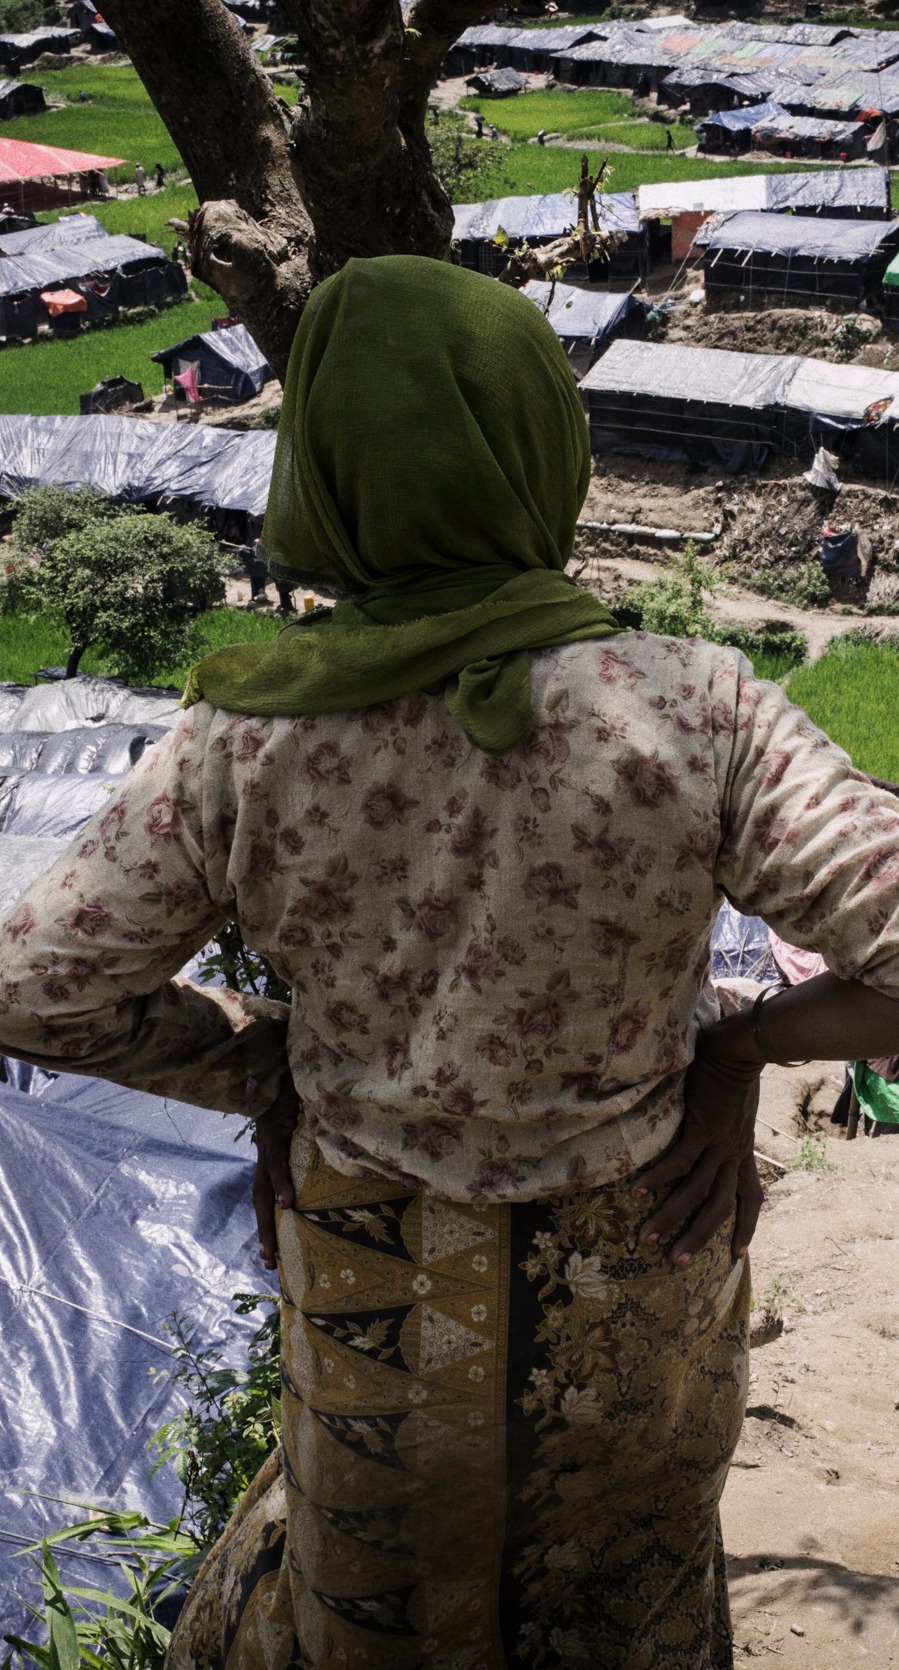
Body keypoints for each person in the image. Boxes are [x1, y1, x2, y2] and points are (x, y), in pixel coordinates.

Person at [3, 257, 899, 1670]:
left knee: (379, 1621)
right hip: (643, 1259)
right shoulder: (698, 707)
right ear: (546, 443)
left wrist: (268, 1063)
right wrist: (735, 1044)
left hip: (374, 1279)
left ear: (331, 473)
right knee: (628, 1605)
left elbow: (34, 991)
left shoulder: (247, 737)